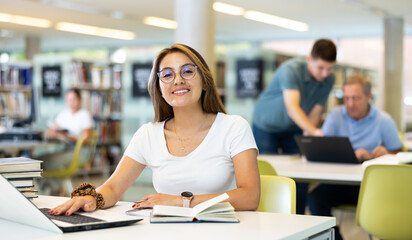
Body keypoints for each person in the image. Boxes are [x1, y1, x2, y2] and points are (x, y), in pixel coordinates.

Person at [48, 43, 260, 216]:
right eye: (167, 75)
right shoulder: (148, 134)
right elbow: (113, 188)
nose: (178, 80)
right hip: (165, 231)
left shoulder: (233, 127)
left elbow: (250, 196)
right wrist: (92, 198)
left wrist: (180, 202)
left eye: (187, 71)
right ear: (159, 86)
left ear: (205, 82)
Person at [308, 74, 402, 240]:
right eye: (347, 98)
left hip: (371, 187)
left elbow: (399, 155)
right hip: (338, 183)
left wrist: (386, 153)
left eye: (356, 98)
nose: (350, 104)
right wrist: (352, 154)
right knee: (315, 199)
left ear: (369, 97)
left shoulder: (384, 120)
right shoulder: (336, 115)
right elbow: (323, 148)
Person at [252, 39, 337, 214]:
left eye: (329, 68)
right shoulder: (290, 70)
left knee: (301, 173)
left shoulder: (329, 79)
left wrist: (310, 138)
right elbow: (292, 108)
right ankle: (268, 223)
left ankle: (297, 222)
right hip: (267, 125)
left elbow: (315, 113)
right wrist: (314, 131)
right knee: (268, 174)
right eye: (320, 67)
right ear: (309, 59)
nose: (324, 74)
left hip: (295, 126)